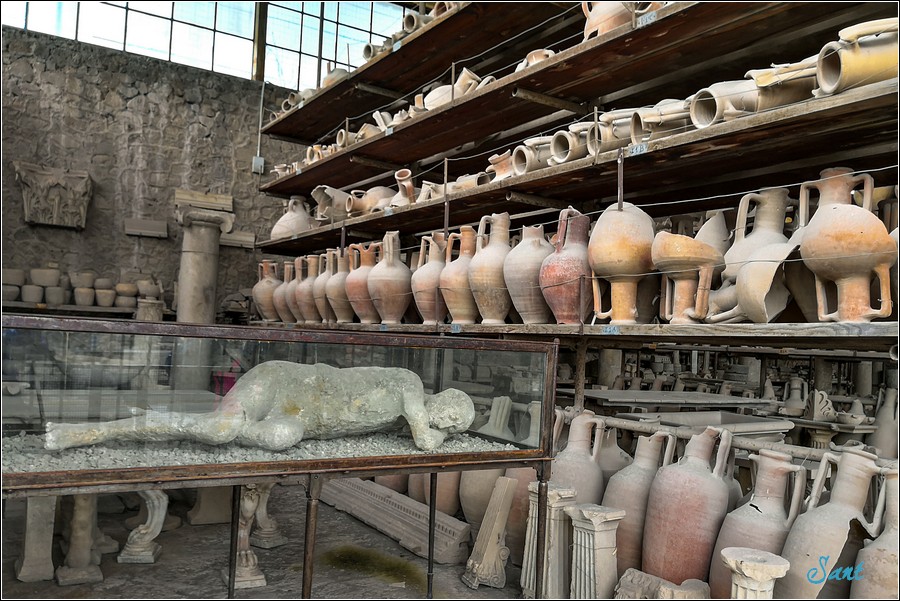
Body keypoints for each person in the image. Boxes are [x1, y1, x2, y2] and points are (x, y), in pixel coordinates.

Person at [45, 361, 475, 452]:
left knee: (282, 437)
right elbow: (426, 441)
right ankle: (89, 433)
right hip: (280, 381)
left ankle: (186, 421)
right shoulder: (409, 384)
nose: (450, 425)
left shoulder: (395, 420)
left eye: (455, 426)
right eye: (453, 417)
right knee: (219, 431)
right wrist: (438, 434)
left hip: (294, 418)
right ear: (445, 400)